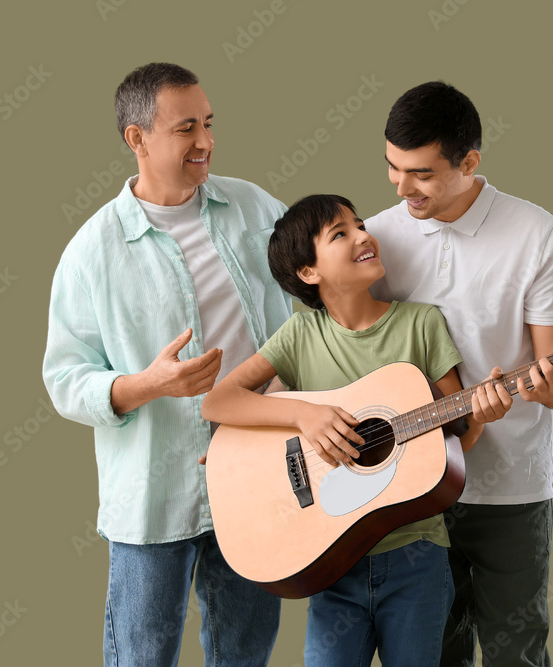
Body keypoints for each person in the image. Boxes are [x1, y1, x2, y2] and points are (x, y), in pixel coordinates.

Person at [42, 62, 287, 666]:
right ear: (137, 139)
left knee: (246, 653)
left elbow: (317, 297)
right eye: (185, 129)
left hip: (257, 477)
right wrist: (148, 384)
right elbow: (65, 380)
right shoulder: (90, 253)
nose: (205, 142)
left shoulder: (255, 209)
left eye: (208, 124)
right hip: (152, 498)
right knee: (141, 657)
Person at [201, 194, 512, 666]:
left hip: (417, 558)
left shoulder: (420, 324)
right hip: (332, 560)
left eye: (360, 225)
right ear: (309, 272)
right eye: (340, 234)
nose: (363, 235)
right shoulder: (300, 335)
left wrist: (481, 418)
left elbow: (456, 434)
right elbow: (217, 401)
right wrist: (305, 415)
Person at [365, 81, 553, 666]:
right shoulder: (374, 238)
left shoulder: (537, 234)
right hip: (404, 485)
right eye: (392, 167)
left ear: (469, 163)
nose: (401, 186)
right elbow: (339, 351)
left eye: (421, 173)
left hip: (511, 486)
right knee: (430, 653)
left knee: (517, 649)